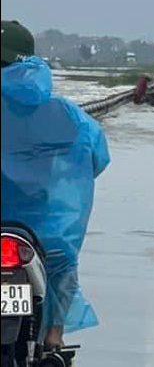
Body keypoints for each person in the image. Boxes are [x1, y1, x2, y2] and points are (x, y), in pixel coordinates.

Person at [1, 20, 110, 347]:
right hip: (44, 234)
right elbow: (97, 158)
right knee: (63, 263)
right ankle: (53, 337)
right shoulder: (66, 114)